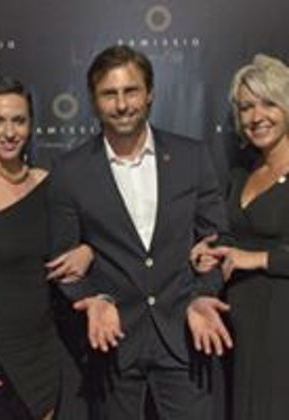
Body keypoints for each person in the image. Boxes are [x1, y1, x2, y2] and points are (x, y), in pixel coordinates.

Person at [48, 45, 233, 420]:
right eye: (109, 94)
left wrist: (202, 295)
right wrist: (93, 298)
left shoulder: (192, 157)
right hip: (112, 343)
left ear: (149, 93)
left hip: (185, 337)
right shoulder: (70, 171)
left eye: (131, 91)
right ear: (94, 101)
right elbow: (63, 262)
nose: (121, 105)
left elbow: (217, 243)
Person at [0, 76, 93, 420]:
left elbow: (81, 240)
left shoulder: (47, 182)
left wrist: (87, 251)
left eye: (19, 120)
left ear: (31, 124)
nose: (9, 132)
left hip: (46, 344)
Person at [191, 54, 289, 420]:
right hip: (239, 327)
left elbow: (255, 250)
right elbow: (235, 237)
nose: (256, 116)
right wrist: (210, 250)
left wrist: (258, 259)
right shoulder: (242, 173)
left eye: (268, 103)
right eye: (246, 107)